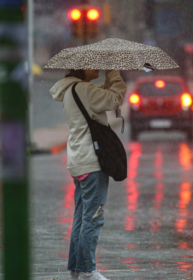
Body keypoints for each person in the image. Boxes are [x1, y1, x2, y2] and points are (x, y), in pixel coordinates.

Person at [50, 70, 127, 280]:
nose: (97, 68)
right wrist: (114, 72)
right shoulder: (84, 89)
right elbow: (114, 98)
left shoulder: (71, 89)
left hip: (79, 160)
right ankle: (87, 270)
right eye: (93, 66)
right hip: (92, 162)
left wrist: (110, 79)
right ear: (83, 69)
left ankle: (77, 269)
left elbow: (100, 96)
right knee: (93, 217)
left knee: (81, 218)